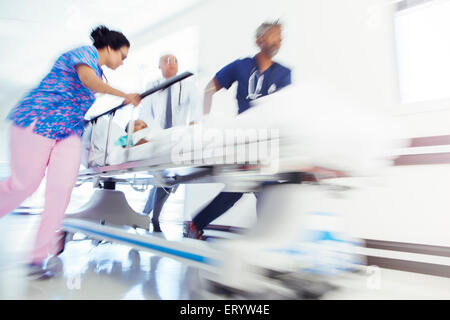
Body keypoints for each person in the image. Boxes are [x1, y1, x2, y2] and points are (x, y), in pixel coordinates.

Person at [0, 25, 142, 277]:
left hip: (67, 132)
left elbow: (91, 86)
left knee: (61, 191)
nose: (123, 62)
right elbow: (87, 80)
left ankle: (36, 259)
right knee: (25, 184)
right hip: (37, 120)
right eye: (122, 56)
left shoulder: (100, 73)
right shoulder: (83, 54)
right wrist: (124, 95)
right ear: (109, 48)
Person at [187, 20, 292, 239]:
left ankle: (196, 224)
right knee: (263, 188)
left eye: (281, 38)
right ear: (260, 39)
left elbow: (285, 109)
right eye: (275, 36)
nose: (279, 41)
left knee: (244, 189)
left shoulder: (284, 73)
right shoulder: (240, 66)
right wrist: (204, 120)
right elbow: (209, 88)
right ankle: (267, 239)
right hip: (244, 139)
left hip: (268, 140)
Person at [138, 53, 201, 232]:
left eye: (175, 60)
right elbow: (145, 112)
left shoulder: (187, 84)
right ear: (159, 66)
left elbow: (196, 107)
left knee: (170, 180)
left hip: (177, 136)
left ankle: (146, 214)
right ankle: (152, 217)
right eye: (166, 61)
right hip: (157, 136)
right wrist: (143, 132)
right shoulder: (152, 86)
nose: (171, 64)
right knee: (161, 177)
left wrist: (194, 124)